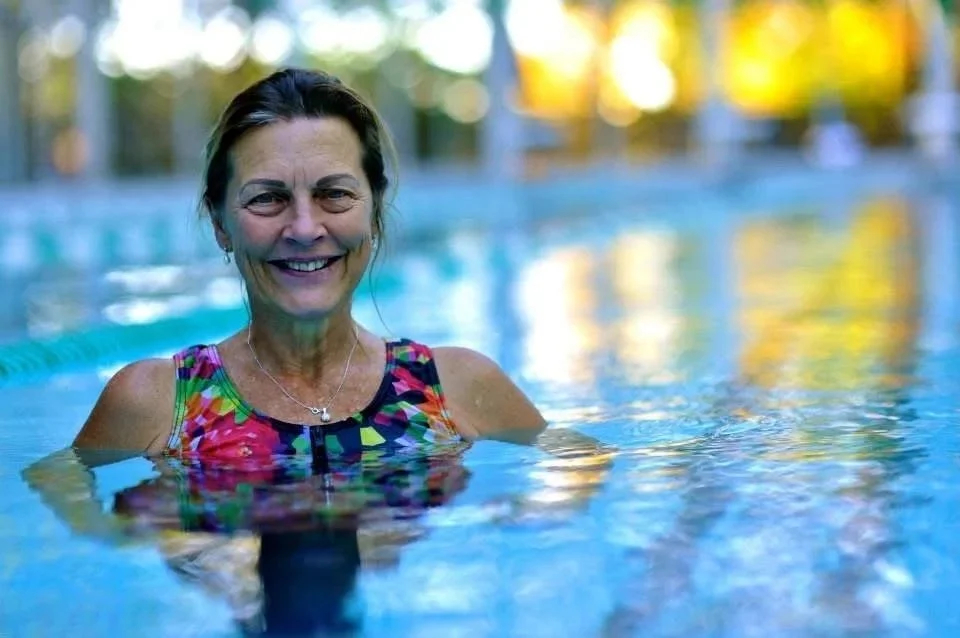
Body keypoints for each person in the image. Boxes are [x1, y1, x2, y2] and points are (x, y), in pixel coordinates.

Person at [74, 67, 547, 466]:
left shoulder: (456, 385)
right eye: (267, 198)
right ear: (220, 224)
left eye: (334, 194)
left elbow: (581, 481)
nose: (304, 228)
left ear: (374, 213)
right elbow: (74, 531)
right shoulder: (158, 403)